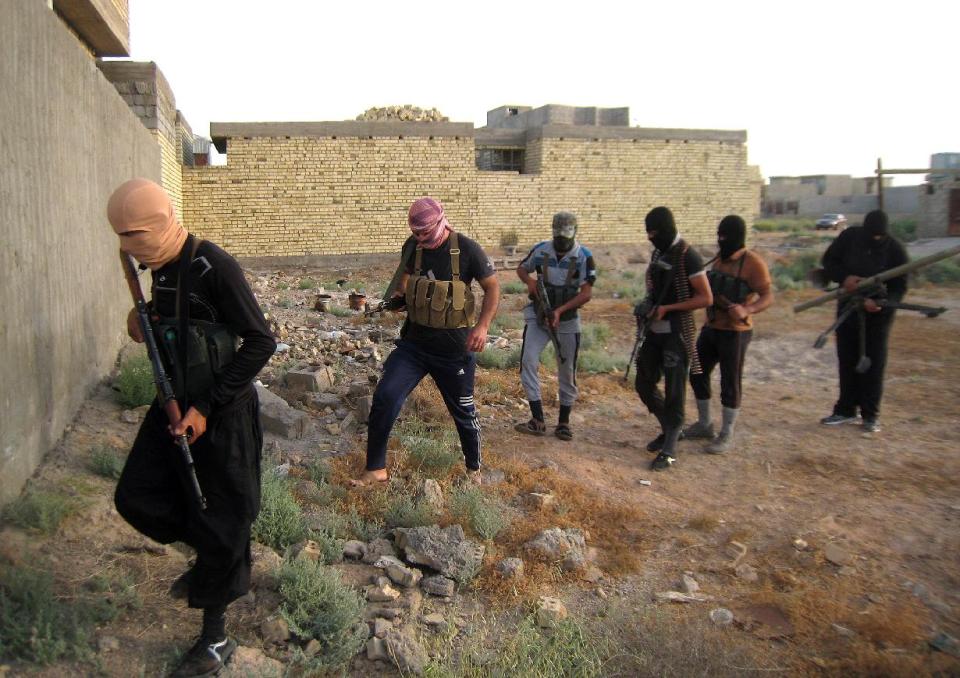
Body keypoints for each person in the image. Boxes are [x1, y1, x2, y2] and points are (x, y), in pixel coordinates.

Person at [108, 178, 275, 678]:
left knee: (223, 518)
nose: (127, 248)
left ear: (159, 225)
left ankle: (216, 637)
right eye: (121, 237)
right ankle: (212, 555)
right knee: (136, 495)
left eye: (133, 234)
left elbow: (260, 342)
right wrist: (142, 323)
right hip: (173, 407)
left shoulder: (213, 267)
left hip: (220, 416)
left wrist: (205, 406)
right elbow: (169, 326)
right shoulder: (157, 267)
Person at [353, 197, 499, 485]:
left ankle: (474, 469)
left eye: (425, 233)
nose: (421, 238)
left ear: (440, 222)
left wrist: (482, 327)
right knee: (385, 396)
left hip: (454, 350)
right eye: (416, 233)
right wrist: (400, 298)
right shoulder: (413, 246)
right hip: (414, 345)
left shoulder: (467, 249)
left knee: (463, 411)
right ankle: (375, 469)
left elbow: (493, 287)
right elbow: (403, 280)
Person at [684, 215, 774, 453]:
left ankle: (726, 433)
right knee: (696, 372)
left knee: (730, 382)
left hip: (736, 332)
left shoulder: (753, 263)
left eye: (726, 236)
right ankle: (705, 424)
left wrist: (747, 309)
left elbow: (767, 295)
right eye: (719, 235)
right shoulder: (718, 260)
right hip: (712, 327)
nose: (721, 240)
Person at [634, 207, 713, 471]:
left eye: (655, 232)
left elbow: (705, 298)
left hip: (678, 333)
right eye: (648, 233)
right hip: (654, 330)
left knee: (674, 390)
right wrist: (646, 306)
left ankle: (670, 449)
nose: (650, 237)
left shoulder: (687, 256)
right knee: (643, 383)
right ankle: (669, 428)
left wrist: (669, 309)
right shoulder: (660, 252)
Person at [819, 209, 908, 433]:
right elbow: (829, 263)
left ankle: (871, 414)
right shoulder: (849, 238)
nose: (876, 240)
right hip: (849, 307)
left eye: (880, 237)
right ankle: (845, 409)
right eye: (872, 236)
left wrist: (882, 302)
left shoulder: (895, 250)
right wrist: (844, 278)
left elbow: (899, 287)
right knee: (847, 358)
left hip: (878, 315)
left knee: (874, 363)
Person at [514, 212, 597, 440]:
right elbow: (522, 268)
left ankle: (563, 422)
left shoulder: (583, 256)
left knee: (566, 369)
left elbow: (586, 293)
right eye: (558, 234)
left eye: (566, 234)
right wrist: (530, 282)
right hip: (538, 317)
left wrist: (560, 311)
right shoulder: (541, 249)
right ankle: (537, 419)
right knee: (528, 361)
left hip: (567, 321)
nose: (561, 240)